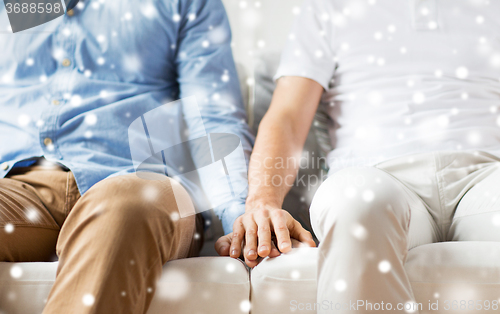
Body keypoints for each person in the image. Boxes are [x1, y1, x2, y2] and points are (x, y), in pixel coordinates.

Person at [217, 0, 500, 313]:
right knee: (356, 202)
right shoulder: (327, 8)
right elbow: (287, 116)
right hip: (377, 175)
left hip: (486, 175)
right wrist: (263, 202)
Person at [0, 0, 253, 313]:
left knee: (126, 204)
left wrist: (237, 214)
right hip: (21, 185)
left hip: (141, 181)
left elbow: (212, 114)